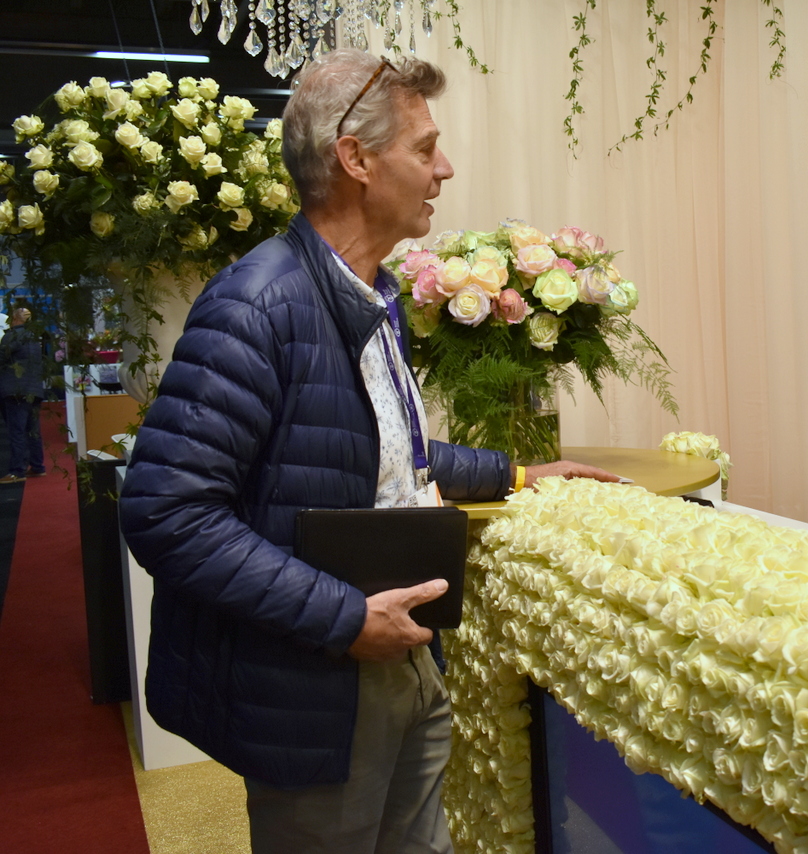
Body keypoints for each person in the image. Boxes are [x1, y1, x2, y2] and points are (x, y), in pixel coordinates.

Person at [118, 49, 616, 853]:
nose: (444, 169)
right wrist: (345, 616)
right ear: (355, 159)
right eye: (425, 148)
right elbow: (166, 513)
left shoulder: (371, 296)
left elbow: (388, 452)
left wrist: (521, 474)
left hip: (398, 653)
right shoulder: (256, 305)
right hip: (313, 681)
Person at [0, 306, 46, 483]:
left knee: (17, 431)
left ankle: (17, 470)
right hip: (34, 389)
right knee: (33, 430)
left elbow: (2, 358)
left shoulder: (12, 336)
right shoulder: (34, 338)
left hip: (16, 390)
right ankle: (37, 466)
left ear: (14, 318)